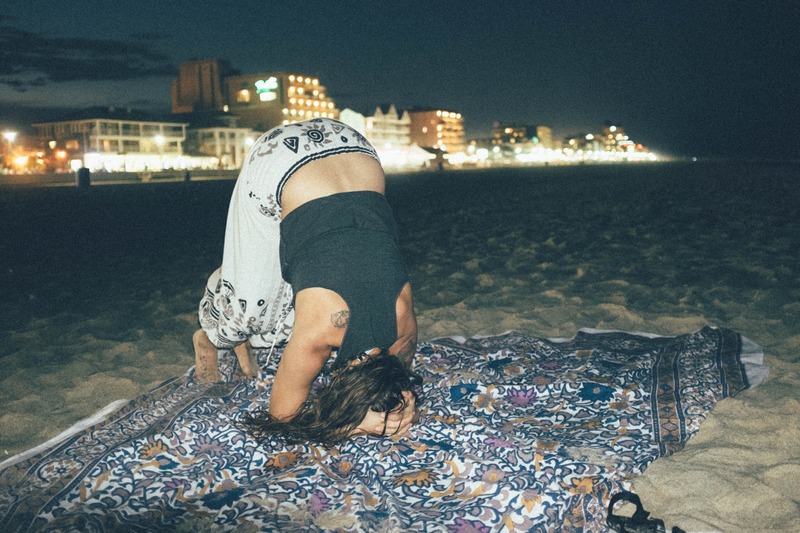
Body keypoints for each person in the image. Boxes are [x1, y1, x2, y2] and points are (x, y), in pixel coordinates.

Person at [192, 117, 420, 445]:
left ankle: (256, 278)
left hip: (352, 143)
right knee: (250, 314)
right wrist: (351, 425)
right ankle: (219, 307)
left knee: (292, 293)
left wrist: (401, 400)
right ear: (339, 380)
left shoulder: (404, 327)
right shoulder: (319, 335)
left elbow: (399, 373)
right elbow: (280, 415)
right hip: (277, 161)